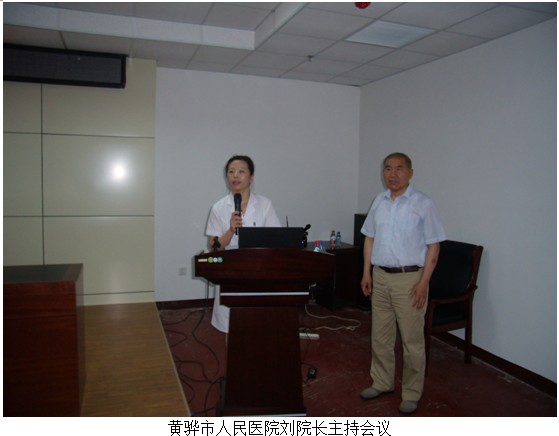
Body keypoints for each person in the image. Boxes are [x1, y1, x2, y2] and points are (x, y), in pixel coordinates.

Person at [360, 152, 446, 414]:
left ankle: (411, 393)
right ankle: (382, 382)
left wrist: (423, 283)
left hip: (410, 280)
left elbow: (434, 246)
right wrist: (366, 273)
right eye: (387, 168)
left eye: (399, 168)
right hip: (381, 276)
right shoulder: (379, 201)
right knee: (381, 336)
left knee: (411, 341)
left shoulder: (423, 204)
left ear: (410, 173)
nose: (392, 174)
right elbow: (370, 238)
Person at [205, 155, 282, 333]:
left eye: (241, 171)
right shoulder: (218, 207)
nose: (235, 176)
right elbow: (214, 246)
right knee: (231, 327)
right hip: (230, 272)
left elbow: (276, 238)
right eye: (231, 172)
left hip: (259, 271)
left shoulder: (264, 205)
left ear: (251, 177)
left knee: (259, 325)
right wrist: (230, 230)